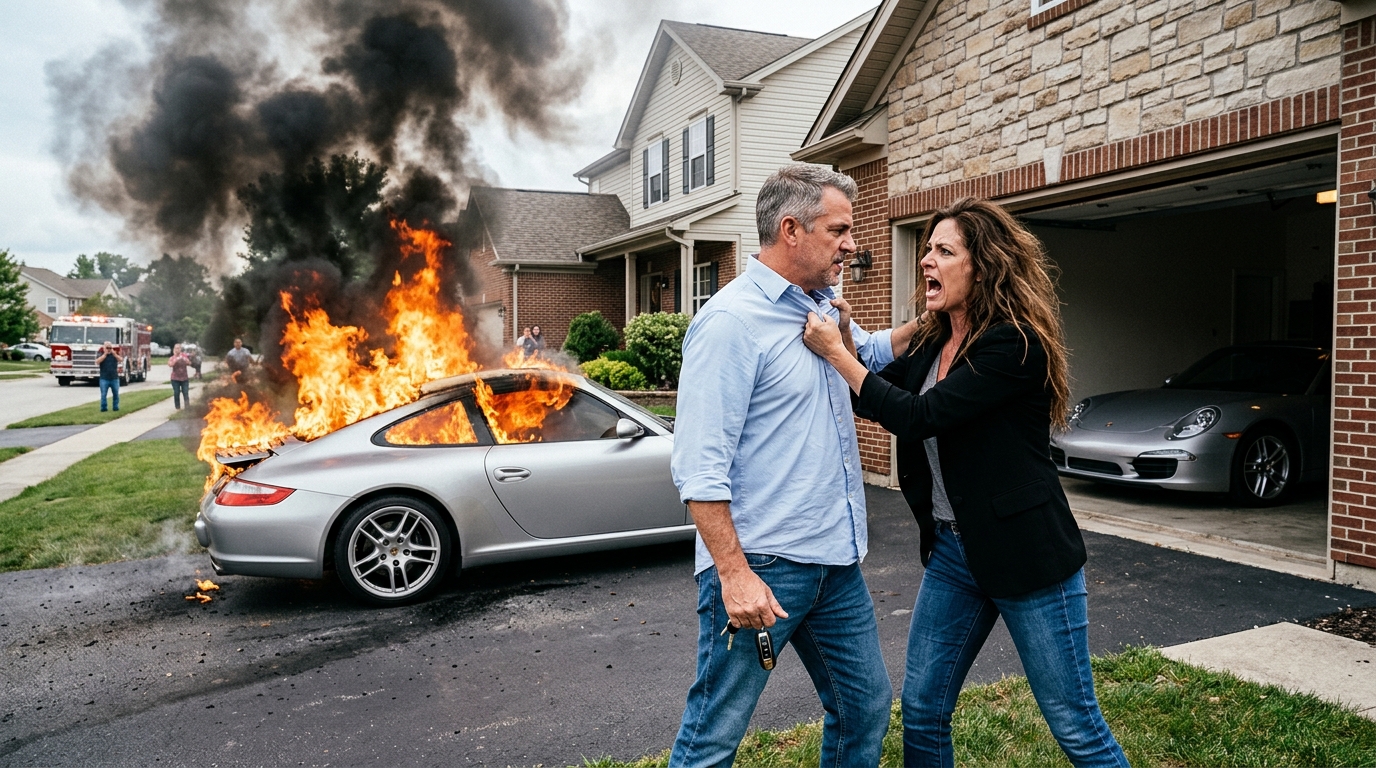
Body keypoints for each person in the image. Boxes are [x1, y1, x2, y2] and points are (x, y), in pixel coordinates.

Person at [802, 197, 1128, 768]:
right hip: (955, 552)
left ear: (985, 266)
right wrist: (848, 341)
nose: (927, 260)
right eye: (927, 248)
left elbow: (917, 416)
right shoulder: (934, 339)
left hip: (1029, 558)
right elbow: (879, 393)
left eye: (944, 251)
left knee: (1076, 726)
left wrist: (835, 355)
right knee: (924, 711)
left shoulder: (1012, 344)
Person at [669, 164, 918, 765]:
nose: (852, 244)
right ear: (791, 230)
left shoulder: (822, 306)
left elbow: (871, 354)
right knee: (715, 732)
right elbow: (699, 468)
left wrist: (941, 316)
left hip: (835, 562)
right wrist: (734, 575)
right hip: (764, 567)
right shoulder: (730, 324)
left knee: (864, 708)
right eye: (840, 230)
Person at [95, 341, 122, 412]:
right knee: (103, 394)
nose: (109, 349)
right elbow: (97, 361)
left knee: (116, 393)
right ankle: (104, 408)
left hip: (114, 378)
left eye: (110, 347)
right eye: (107, 347)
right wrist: (105, 354)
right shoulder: (100, 354)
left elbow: (120, 360)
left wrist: (114, 354)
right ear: (104, 348)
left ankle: (115, 407)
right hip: (104, 378)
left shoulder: (114, 355)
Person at [168, 343, 191, 410]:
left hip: (184, 378)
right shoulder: (172, 358)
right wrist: (176, 359)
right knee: (176, 392)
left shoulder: (184, 356)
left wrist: (185, 360)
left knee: (185, 392)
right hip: (175, 379)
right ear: (174, 349)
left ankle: (187, 407)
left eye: (179, 348)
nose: (177, 350)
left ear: (181, 349)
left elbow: (189, 363)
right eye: (176, 348)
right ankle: (177, 407)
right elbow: (170, 364)